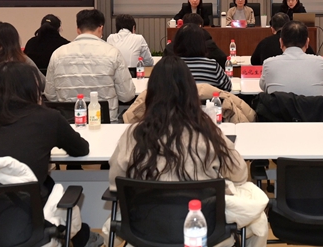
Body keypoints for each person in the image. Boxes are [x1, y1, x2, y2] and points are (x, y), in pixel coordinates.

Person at [108, 57, 266, 247]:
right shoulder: (208, 131)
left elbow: (115, 184)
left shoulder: (132, 134)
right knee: (259, 220)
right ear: (191, 92)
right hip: (206, 232)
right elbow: (239, 174)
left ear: (150, 93)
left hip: (145, 233)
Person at [0, 62, 97, 247]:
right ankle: (81, 235)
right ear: (32, 88)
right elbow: (81, 149)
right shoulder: (48, 118)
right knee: (47, 184)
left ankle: (81, 235)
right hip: (25, 218)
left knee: (47, 183)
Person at [44, 9, 136, 122]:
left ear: (78, 30)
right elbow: (127, 95)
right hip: (105, 125)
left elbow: (50, 96)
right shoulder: (113, 53)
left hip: (69, 126)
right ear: (101, 28)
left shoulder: (57, 54)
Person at [259, 21, 323, 96]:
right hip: (314, 104)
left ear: (281, 42)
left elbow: (264, 87)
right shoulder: (321, 63)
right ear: (307, 42)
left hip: (280, 104)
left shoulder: (269, 64)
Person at [173, 24, 232, 91]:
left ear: (177, 43)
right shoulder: (213, 66)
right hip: (209, 98)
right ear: (202, 43)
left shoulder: (172, 66)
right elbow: (228, 87)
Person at [250, 12, 315, 65]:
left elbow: (254, 61)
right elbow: (313, 57)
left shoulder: (264, 42)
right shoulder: (299, 40)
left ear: (272, 29)